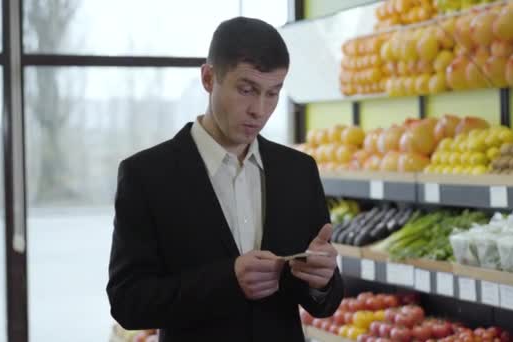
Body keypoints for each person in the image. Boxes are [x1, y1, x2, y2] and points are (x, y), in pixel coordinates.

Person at [106, 16, 343, 341]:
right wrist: (227, 281)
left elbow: (325, 302)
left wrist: (323, 280)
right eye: (246, 90)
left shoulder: (298, 171)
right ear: (208, 77)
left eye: (273, 93)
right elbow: (128, 301)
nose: (259, 110)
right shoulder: (146, 175)